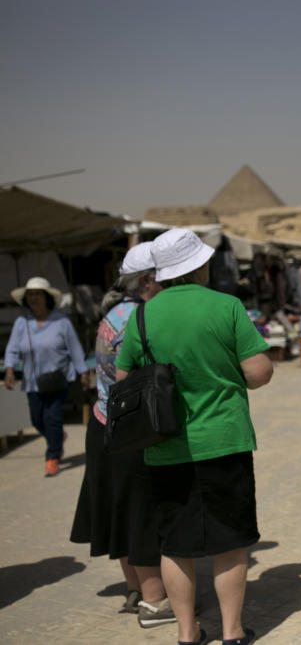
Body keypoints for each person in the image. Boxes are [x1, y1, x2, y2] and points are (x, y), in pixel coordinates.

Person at [115, 229, 273, 645]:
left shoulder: (143, 314)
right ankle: (233, 632)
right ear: (199, 266)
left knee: (174, 545)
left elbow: (121, 376)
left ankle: (187, 633)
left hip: (164, 445)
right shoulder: (228, 306)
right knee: (231, 543)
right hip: (225, 439)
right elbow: (258, 373)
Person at [69, 242, 175, 626]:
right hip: (132, 429)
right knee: (141, 513)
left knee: (121, 509)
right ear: (148, 281)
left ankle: (135, 590)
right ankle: (155, 601)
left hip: (104, 424)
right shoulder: (138, 317)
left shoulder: (113, 311)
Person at [4, 276, 89, 477]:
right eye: (30, 295)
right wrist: (9, 369)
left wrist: (83, 372)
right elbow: (12, 348)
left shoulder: (61, 322)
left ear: (47, 297)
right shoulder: (21, 322)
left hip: (58, 378)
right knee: (37, 419)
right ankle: (57, 438)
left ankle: (52, 457)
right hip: (32, 380)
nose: (34, 298)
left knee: (52, 417)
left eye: (38, 294)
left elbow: (75, 348)